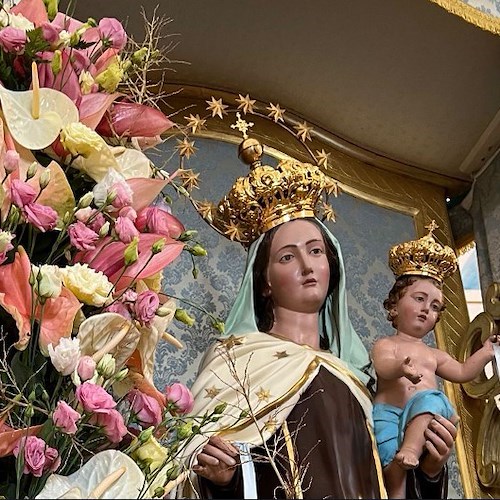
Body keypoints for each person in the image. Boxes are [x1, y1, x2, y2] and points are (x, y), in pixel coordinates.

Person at [175, 141, 457, 499]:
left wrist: (430, 471)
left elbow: (386, 484)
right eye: (288, 257)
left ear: (331, 265)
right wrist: (221, 479)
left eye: (316, 251)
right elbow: (192, 469)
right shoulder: (234, 361)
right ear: (263, 281)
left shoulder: (357, 378)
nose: (308, 266)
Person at [371, 228, 498, 498]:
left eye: (435, 306)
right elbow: (382, 367)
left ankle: (412, 448)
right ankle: (395, 489)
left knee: (432, 398)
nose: (427, 309)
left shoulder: (434, 355)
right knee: (388, 459)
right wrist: (400, 368)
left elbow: (463, 372)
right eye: (419, 299)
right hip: (389, 414)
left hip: (422, 420)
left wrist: (486, 352)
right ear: (394, 306)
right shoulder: (387, 344)